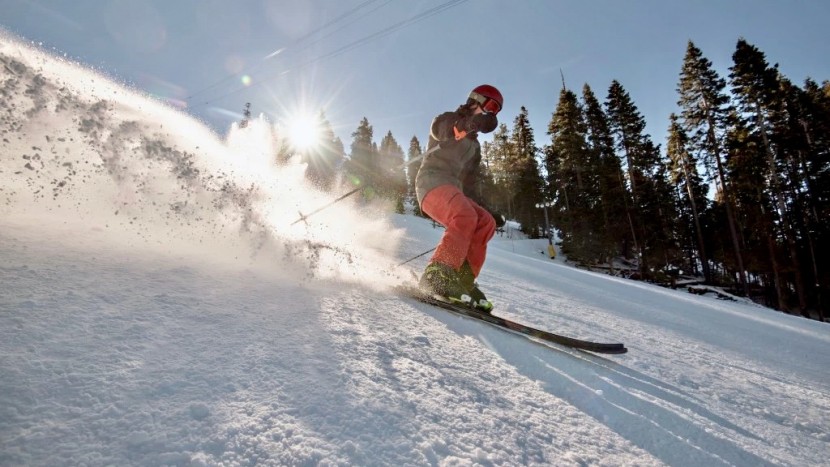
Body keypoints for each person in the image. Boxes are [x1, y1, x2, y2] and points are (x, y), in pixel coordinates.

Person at [415, 84, 504, 312]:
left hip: (455, 190)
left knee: (485, 222)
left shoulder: (474, 147)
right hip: (431, 182)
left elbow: (470, 185)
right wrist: (470, 124)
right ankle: (438, 273)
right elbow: (445, 130)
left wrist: (485, 209)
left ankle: (462, 279)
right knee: (464, 214)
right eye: (491, 106)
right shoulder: (448, 119)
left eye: (496, 111)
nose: (491, 113)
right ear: (475, 100)